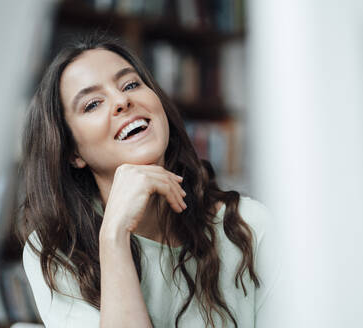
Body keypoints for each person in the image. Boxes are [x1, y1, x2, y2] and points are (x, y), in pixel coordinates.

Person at [19, 34, 281, 328]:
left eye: (130, 84)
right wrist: (114, 237)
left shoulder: (249, 226)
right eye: (92, 104)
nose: (122, 101)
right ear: (73, 153)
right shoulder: (57, 249)